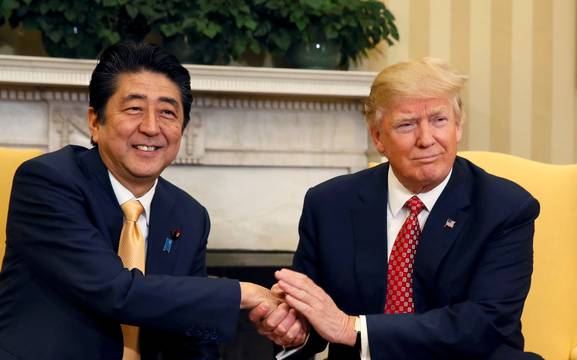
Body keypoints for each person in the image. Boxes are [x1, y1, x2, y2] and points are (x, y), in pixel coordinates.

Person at [0, 42, 303, 360]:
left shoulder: (188, 215)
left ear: (181, 130)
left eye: (168, 113)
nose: (151, 127)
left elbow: (192, 328)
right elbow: (116, 292)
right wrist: (246, 293)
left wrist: (273, 328)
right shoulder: (48, 181)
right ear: (94, 121)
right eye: (134, 109)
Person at [252, 57, 542, 359]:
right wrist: (294, 329)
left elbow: (484, 324)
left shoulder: (505, 208)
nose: (426, 139)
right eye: (407, 125)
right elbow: (313, 319)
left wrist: (353, 329)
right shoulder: (329, 204)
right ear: (378, 137)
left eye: (439, 120)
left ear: (458, 127)